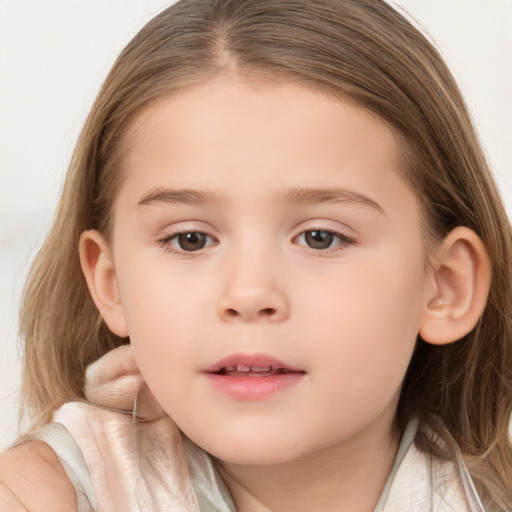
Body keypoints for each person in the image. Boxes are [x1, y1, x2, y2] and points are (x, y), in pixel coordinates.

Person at [0, 0, 511, 510]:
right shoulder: (35, 495)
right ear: (110, 284)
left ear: (445, 286)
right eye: (190, 239)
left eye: (320, 237)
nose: (248, 294)